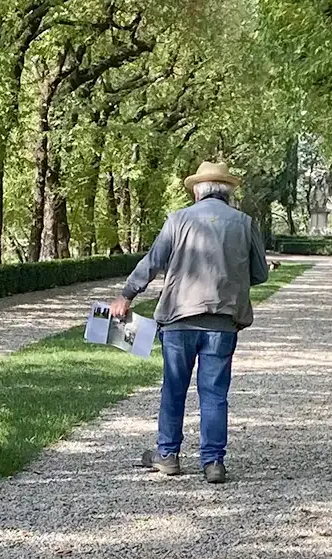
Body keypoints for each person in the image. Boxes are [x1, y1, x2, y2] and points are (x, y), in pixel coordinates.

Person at [111, 161, 269, 485]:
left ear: (198, 190)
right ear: (226, 191)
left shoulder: (178, 219)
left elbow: (153, 261)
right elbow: (260, 274)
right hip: (223, 321)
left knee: (174, 389)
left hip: (179, 319)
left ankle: (167, 456)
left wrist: (126, 295)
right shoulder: (244, 222)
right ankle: (213, 462)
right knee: (214, 394)